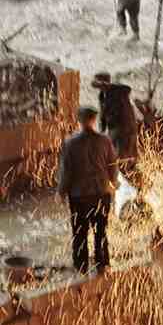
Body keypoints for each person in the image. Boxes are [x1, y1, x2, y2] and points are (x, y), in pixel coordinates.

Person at [57, 106, 118, 275]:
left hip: (79, 197)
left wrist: (61, 192)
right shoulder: (105, 141)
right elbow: (113, 166)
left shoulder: (70, 143)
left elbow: (67, 172)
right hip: (101, 195)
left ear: (79, 120)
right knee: (101, 232)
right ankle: (102, 265)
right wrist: (112, 184)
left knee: (80, 233)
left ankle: (81, 267)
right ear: (94, 120)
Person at [92, 72, 139, 182]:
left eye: (100, 86)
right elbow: (104, 120)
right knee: (122, 165)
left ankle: (143, 187)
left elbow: (119, 120)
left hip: (124, 136)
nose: (100, 88)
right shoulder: (106, 95)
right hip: (119, 135)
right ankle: (142, 186)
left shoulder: (116, 96)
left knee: (124, 164)